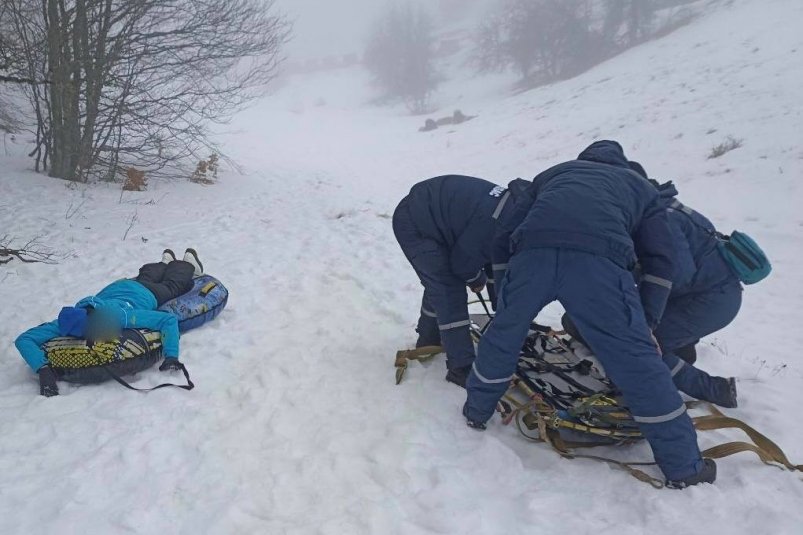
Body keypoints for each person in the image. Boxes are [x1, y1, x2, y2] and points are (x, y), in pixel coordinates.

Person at [464, 141, 716, 489]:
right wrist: (646, 324)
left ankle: (476, 413)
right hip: (598, 265)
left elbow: (503, 236)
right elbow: (661, 261)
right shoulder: (642, 188)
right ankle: (684, 468)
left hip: (532, 254)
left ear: (584, 160)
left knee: (503, 335)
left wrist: (507, 296)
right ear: (623, 164)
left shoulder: (553, 174)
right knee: (636, 360)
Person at [392, 175, 529, 387]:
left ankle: (428, 338)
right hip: (415, 223)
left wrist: (502, 310)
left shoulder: (514, 211)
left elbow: (496, 260)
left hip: (442, 219)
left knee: (440, 281)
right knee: (448, 288)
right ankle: (460, 367)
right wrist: (477, 279)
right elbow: (462, 265)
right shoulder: (493, 222)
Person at [15, 248, 204, 397]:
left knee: (172, 286)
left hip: (147, 293)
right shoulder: (65, 322)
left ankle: (188, 264)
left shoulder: (117, 316)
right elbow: (23, 339)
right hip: (119, 286)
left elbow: (167, 320)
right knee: (145, 277)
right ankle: (164, 262)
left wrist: (171, 356)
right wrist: (43, 368)